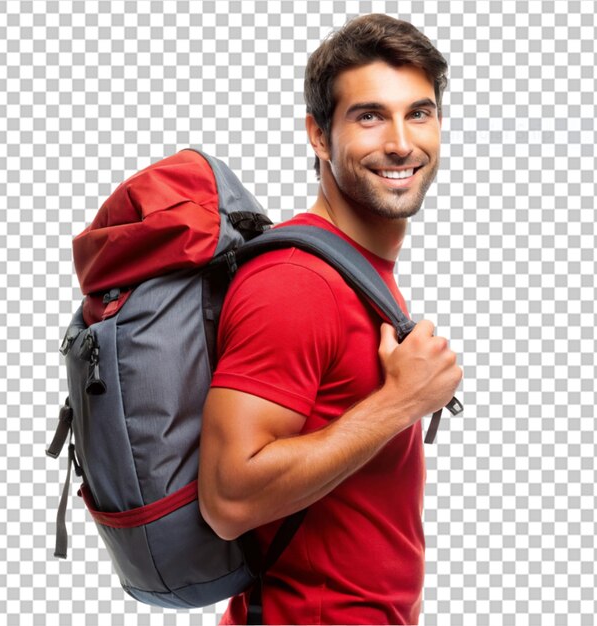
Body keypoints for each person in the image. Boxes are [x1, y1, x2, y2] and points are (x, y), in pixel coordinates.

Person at [198, 13, 463, 625]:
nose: (401, 142)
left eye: (418, 113)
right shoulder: (295, 280)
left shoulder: (352, 268)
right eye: (369, 116)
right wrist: (402, 402)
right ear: (319, 136)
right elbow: (228, 496)